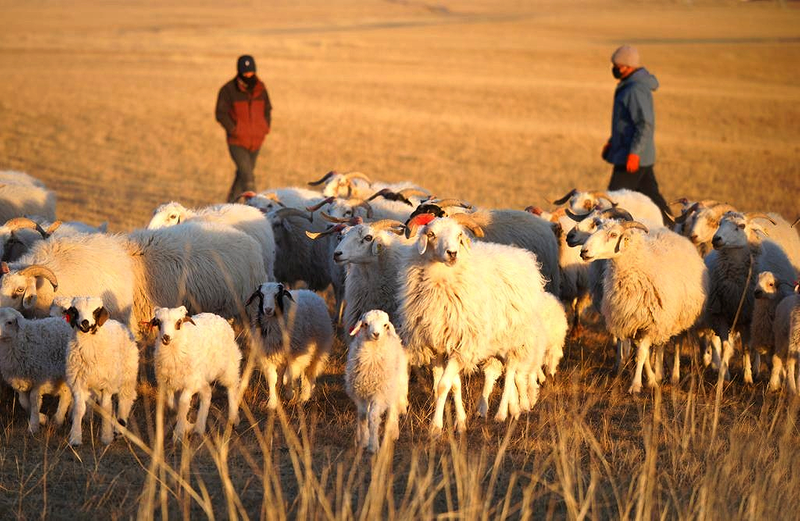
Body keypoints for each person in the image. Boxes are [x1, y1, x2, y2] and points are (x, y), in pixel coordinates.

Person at [602, 45, 672, 225]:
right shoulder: (629, 85)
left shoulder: (635, 89)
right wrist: (612, 142)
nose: (614, 69)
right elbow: (624, 123)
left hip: (631, 157)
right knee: (653, 197)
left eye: (617, 66)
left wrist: (634, 153)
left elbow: (644, 124)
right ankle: (674, 227)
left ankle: (607, 234)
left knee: (613, 200)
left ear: (628, 66)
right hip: (630, 153)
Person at [216, 55, 272, 202]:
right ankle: (256, 207)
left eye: (251, 71)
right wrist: (234, 130)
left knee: (242, 175)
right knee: (248, 178)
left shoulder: (261, 88)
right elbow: (220, 113)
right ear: (239, 72)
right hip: (237, 142)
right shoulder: (228, 90)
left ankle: (229, 205)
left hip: (256, 141)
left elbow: (267, 109)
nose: (248, 75)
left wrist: (264, 127)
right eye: (245, 72)